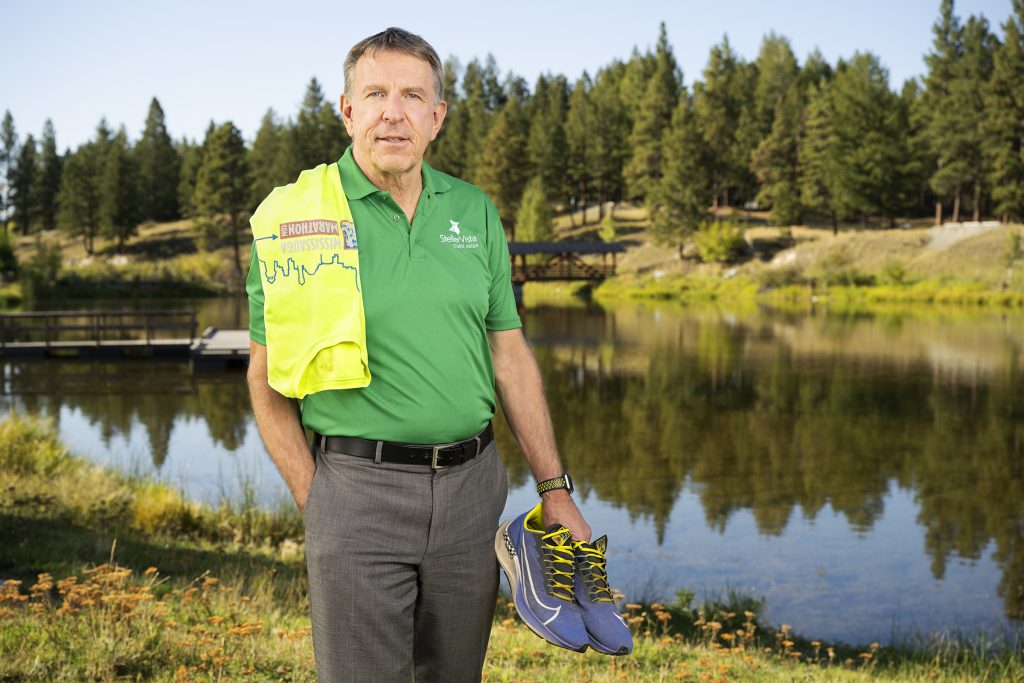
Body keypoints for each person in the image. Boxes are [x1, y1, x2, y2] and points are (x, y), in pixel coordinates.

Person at [245, 27, 590, 682]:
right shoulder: (293, 220)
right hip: (355, 493)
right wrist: (313, 496)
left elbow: (510, 356)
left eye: (412, 96)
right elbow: (265, 381)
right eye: (374, 93)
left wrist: (554, 489)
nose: (392, 112)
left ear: (437, 117)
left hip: (472, 490)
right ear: (347, 110)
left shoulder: (474, 211)